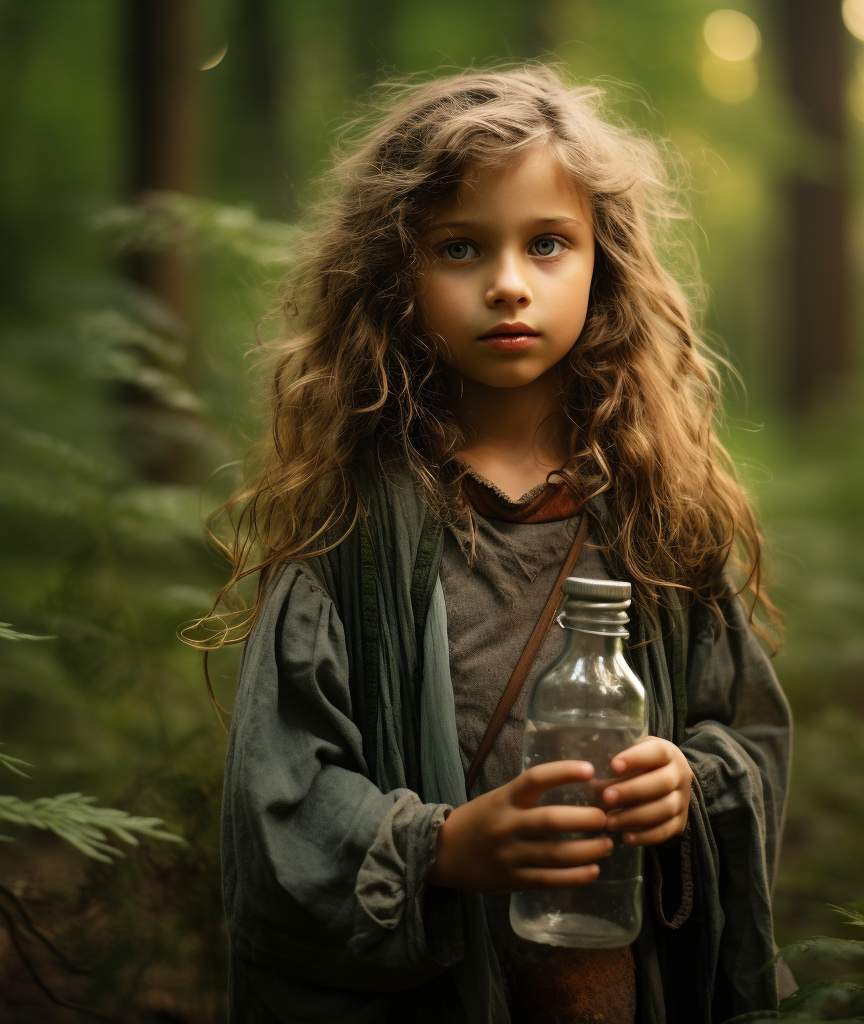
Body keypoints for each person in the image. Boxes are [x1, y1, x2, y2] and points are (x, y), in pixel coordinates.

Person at [201, 66, 793, 1024]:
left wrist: (686, 782)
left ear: (604, 260)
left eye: (549, 243)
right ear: (396, 274)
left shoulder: (657, 518)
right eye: (461, 247)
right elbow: (282, 798)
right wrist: (443, 848)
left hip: (609, 987)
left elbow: (745, 732)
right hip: (430, 992)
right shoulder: (352, 531)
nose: (509, 284)